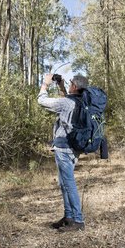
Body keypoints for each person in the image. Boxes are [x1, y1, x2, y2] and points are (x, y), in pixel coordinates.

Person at [37, 73, 88, 232]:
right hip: (74, 148)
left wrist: (45, 84)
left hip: (64, 149)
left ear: (74, 86)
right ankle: (69, 216)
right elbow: (68, 104)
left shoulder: (66, 103)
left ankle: (78, 221)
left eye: (70, 83)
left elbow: (42, 101)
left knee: (69, 184)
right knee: (64, 183)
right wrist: (61, 87)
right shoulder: (81, 101)